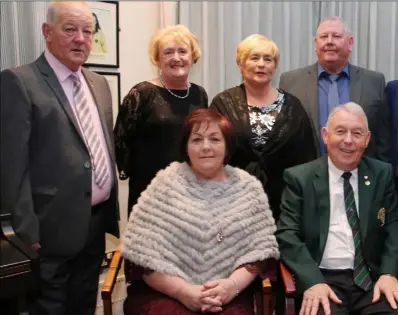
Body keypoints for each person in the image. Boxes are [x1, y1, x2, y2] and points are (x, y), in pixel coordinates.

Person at [0, 2, 119, 315]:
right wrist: (28, 232)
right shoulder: (19, 82)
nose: (80, 38)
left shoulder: (99, 84)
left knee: (84, 305)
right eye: (70, 29)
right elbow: (12, 165)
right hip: (49, 230)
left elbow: (99, 150)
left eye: (87, 31)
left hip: (94, 227)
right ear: (47, 33)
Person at [121, 108, 279, 315]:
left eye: (215, 139)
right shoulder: (164, 184)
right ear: (186, 147)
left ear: (227, 146)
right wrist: (183, 292)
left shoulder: (248, 189)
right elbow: (141, 258)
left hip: (230, 295)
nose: (206, 147)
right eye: (196, 140)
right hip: (166, 293)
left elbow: (259, 254)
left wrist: (231, 286)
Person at [276, 102, 398, 315]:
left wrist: (389, 273)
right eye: (340, 131)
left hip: (372, 280)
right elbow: (287, 235)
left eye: (357, 133)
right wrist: (312, 281)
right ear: (325, 135)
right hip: (324, 279)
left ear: (367, 139)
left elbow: (393, 227)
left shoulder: (381, 174)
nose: (348, 140)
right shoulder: (300, 178)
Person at [210, 34, 317, 221]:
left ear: (275, 66)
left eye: (268, 59)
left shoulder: (293, 106)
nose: (261, 64)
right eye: (254, 58)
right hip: (231, 202)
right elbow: (211, 152)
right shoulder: (223, 103)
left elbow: (306, 158)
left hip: (284, 205)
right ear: (240, 65)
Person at [114, 24, 208, 215]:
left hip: (191, 191)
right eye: (168, 52)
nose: (176, 58)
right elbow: (120, 140)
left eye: (183, 51)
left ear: (192, 57)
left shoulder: (200, 94)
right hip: (150, 192)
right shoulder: (141, 93)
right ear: (157, 59)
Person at [279, 16, 390, 162]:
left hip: (360, 176)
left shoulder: (374, 82)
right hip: (306, 178)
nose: (329, 41)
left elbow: (383, 139)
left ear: (350, 43)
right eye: (324, 36)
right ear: (315, 43)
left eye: (336, 36)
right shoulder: (290, 82)